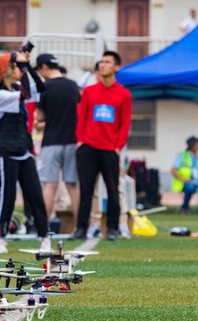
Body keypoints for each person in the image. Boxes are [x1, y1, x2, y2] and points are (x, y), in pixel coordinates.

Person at [0, 50, 50, 254]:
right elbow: (26, 95)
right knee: (7, 195)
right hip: (6, 151)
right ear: (4, 72)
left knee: (35, 193)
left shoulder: (17, 88)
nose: (17, 69)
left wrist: (27, 65)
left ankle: (45, 236)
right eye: (13, 66)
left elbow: (41, 88)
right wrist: (23, 65)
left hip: (24, 149)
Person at [72, 51, 132, 241]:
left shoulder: (124, 94)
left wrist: (118, 146)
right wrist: (80, 141)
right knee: (86, 191)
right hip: (88, 148)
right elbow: (81, 117)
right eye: (101, 62)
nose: (102, 65)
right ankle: (81, 228)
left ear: (116, 67)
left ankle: (112, 228)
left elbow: (125, 123)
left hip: (110, 150)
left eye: (107, 62)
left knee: (113, 190)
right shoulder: (89, 92)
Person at [35, 53, 80, 229]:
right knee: (73, 185)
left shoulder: (44, 87)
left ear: (44, 67)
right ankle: (80, 226)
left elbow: (39, 117)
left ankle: (43, 227)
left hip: (51, 141)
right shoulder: (73, 86)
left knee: (50, 185)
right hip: (72, 141)